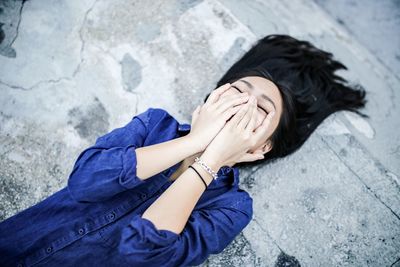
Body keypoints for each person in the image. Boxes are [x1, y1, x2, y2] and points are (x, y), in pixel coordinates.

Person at [0, 34, 367, 267]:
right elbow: (84, 182)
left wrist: (210, 162)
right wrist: (193, 142)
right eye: (237, 91)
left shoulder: (232, 208)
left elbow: (140, 254)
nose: (242, 107)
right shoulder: (154, 125)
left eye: (262, 109)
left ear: (264, 145)